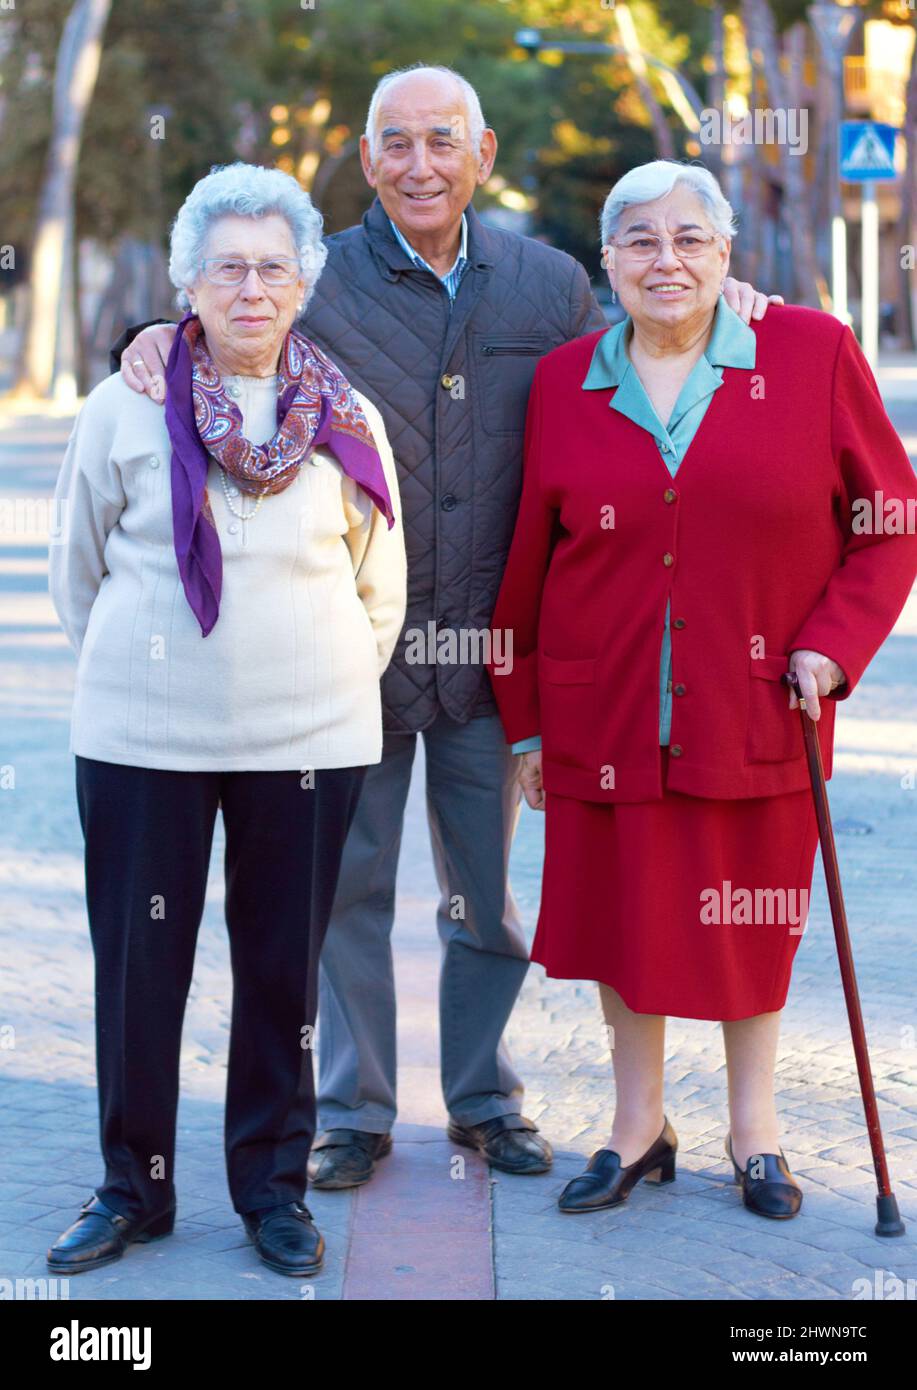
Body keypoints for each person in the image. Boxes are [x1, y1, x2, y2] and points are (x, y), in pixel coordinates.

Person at [114, 66, 778, 1190]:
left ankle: (481, 1100)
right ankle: (352, 1113)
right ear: (366, 159)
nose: (419, 164)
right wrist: (150, 334)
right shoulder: (313, 275)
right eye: (396, 143)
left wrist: (743, 304)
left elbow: (651, 338)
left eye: (442, 142)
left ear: (479, 158)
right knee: (344, 895)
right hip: (347, 652)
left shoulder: (548, 282)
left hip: (494, 656)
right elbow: (225, 321)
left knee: (485, 898)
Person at [487, 158, 917, 1220]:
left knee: (746, 926)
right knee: (621, 925)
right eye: (637, 239)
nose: (662, 259)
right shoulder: (563, 381)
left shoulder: (807, 353)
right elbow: (527, 563)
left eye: (688, 238)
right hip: (606, 708)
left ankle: (753, 1131)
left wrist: (830, 646)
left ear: (727, 256)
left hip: (760, 704)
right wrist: (527, 723)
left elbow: (887, 521)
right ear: (608, 264)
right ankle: (636, 1130)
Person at [45, 163, 406, 1277]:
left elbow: (378, 587)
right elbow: (79, 568)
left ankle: (271, 1191)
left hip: (306, 745)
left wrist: (321, 681)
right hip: (143, 739)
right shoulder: (122, 407)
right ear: (188, 284)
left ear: (305, 285)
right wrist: (147, 674)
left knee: (283, 978)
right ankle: (132, 1191)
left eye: (273, 267)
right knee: (137, 970)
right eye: (227, 267)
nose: (251, 287)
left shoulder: (349, 417)